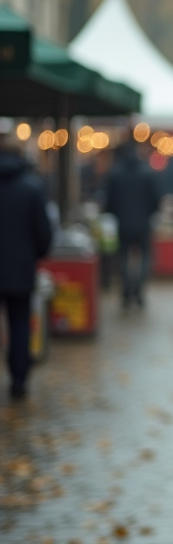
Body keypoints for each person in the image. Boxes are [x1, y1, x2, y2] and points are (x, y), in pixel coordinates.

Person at [0, 136, 52, 399]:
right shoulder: (32, 188)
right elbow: (44, 233)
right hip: (21, 268)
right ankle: (18, 379)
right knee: (20, 323)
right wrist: (36, 254)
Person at [105, 140, 162, 308]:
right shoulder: (147, 172)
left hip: (122, 224)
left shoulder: (115, 172)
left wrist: (116, 214)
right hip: (143, 223)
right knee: (144, 258)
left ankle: (126, 291)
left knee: (123, 258)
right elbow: (155, 199)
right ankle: (139, 290)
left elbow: (109, 201)